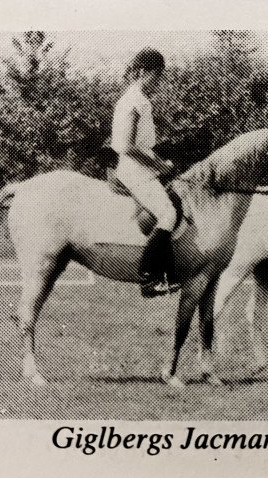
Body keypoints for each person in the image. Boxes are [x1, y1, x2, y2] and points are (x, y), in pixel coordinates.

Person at [111, 48, 178, 297]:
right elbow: (127, 147)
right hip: (134, 171)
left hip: (142, 167)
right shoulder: (135, 101)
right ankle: (148, 277)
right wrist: (159, 166)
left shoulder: (137, 99)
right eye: (156, 76)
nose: (159, 82)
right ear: (141, 73)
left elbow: (143, 146)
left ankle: (169, 273)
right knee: (168, 215)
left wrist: (162, 162)